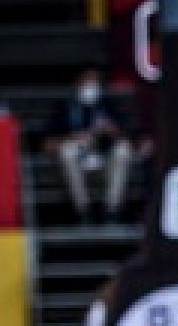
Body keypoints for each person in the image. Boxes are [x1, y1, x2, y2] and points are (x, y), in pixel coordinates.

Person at [42, 68, 136, 226]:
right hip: (78, 163)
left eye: (96, 81)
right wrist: (73, 138)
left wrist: (112, 130)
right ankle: (82, 211)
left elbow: (129, 138)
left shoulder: (107, 105)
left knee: (123, 150)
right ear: (78, 83)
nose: (92, 85)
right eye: (88, 80)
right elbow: (47, 145)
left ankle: (111, 211)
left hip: (105, 162)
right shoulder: (64, 107)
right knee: (67, 151)